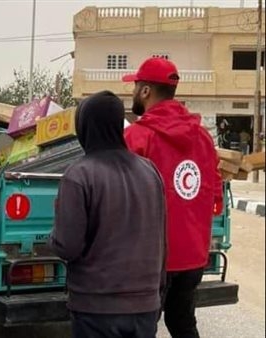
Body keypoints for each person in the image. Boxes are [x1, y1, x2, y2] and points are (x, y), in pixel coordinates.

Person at [49, 91, 166, 338]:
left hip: (96, 308)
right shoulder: (150, 171)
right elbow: (161, 240)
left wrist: (52, 239)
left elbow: (67, 246)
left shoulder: (79, 175)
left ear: (85, 126)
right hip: (145, 304)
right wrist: (158, 293)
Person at [122, 57, 223, 338]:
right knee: (183, 323)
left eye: (135, 86)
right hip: (193, 256)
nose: (132, 92)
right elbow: (214, 195)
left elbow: (120, 199)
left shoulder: (137, 138)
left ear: (145, 91)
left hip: (151, 258)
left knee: (141, 328)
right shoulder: (202, 138)